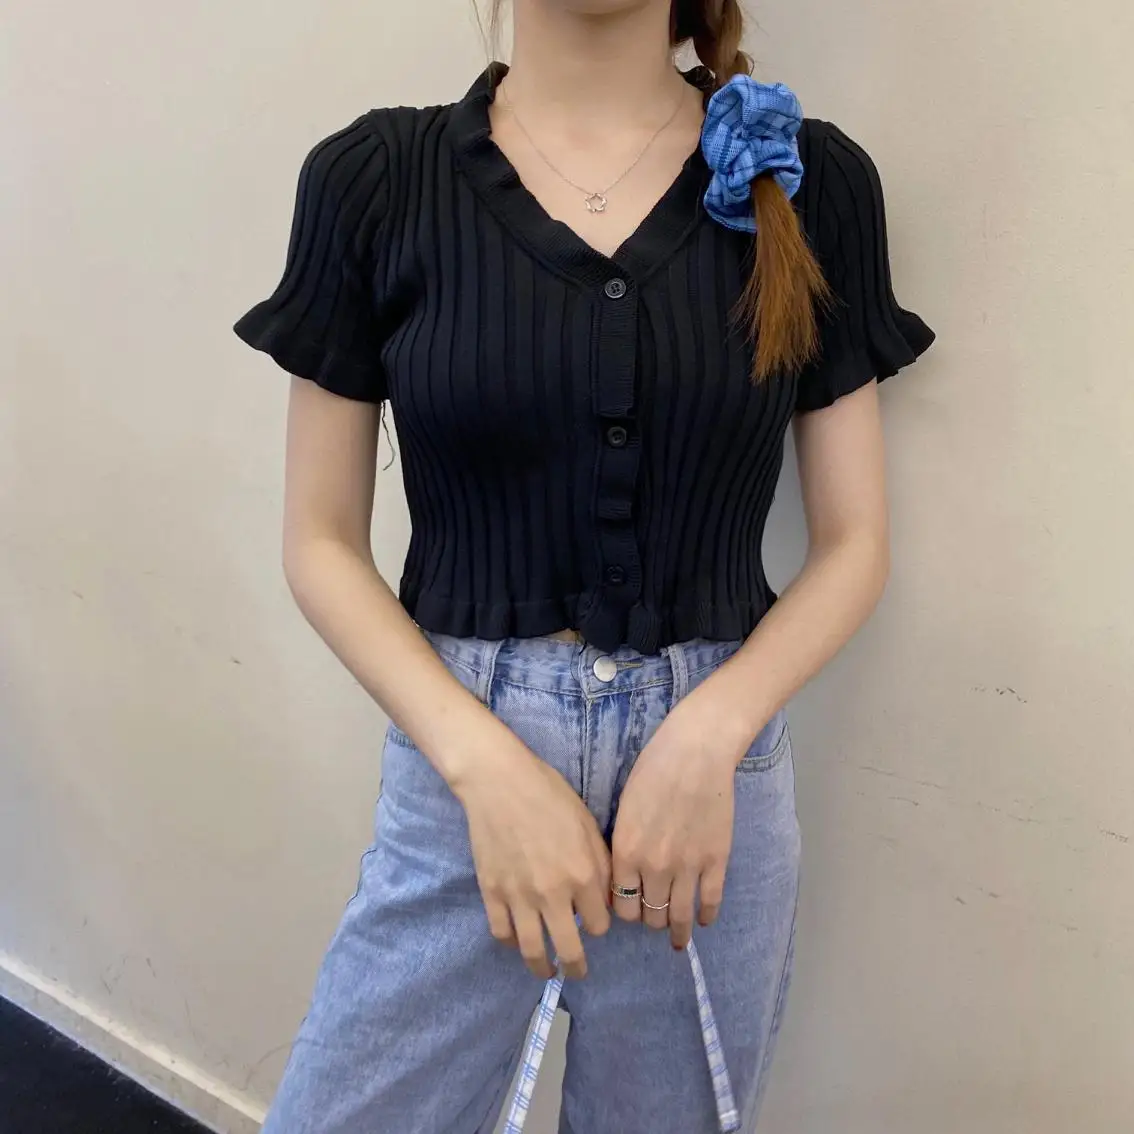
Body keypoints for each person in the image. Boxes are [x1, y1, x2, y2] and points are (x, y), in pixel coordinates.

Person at [234, 0, 933, 1129]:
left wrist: (710, 736)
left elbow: (855, 545)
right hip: (466, 766)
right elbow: (320, 541)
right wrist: (483, 770)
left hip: (709, 798)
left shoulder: (811, 180)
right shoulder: (376, 179)